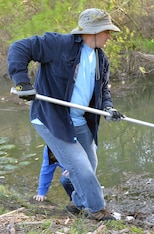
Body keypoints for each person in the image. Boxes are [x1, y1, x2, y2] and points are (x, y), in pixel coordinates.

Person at [8, 8, 124, 221]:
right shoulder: (58, 44)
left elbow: (104, 90)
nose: (109, 36)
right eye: (107, 31)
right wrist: (22, 81)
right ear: (93, 31)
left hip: (80, 121)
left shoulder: (102, 59)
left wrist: (108, 109)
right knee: (81, 167)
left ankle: (76, 203)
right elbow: (19, 47)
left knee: (91, 164)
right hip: (51, 119)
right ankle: (97, 210)